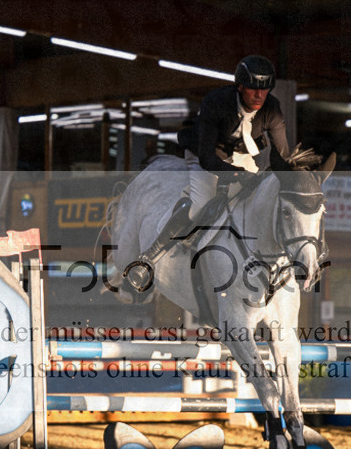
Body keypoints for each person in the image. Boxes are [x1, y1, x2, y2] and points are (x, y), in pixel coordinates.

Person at [124, 55, 291, 292]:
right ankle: (148, 258)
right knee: (200, 204)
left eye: (264, 90)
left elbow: (282, 154)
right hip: (207, 155)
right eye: (254, 89)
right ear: (240, 86)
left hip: (240, 155)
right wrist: (236, 175)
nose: (259, 96)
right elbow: (207, 158)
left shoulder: (272, 108)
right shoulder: (217, 102)